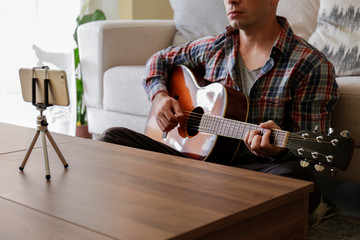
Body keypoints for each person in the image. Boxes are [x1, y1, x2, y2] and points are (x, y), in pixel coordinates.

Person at [99, 0, 340, 228]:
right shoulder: (214, 47)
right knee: (113, 138)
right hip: (197, 164)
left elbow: (310, 149)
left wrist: (278, 148)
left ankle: (181, 200)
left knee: (294, 178)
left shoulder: (311, 64)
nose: (231, 1)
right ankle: (208, 204)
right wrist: (160, 95)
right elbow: (158, 60)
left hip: (251, 173)